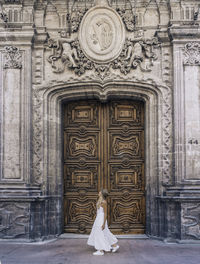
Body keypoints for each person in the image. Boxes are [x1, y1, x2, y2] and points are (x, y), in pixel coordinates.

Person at [87, 189, 119, 256]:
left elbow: (105, 213)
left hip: (101, 219)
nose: (98, 192)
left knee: (99, 233)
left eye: (100, 192)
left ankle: (100, 250)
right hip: (98, 218)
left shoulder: (104, 202)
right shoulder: (100, 201)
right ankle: (115, 245)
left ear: (101, 193)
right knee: (105, 233)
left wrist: (104, 223)